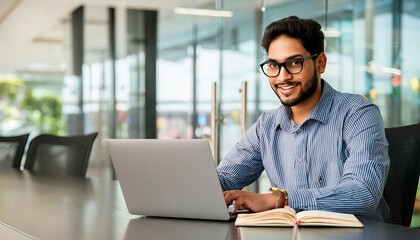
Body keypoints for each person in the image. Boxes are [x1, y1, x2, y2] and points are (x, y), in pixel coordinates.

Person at [217, 15, 390, 222]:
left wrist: (279, 199)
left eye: (295, 62)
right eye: (273, 65)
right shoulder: (267, 126)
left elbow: (363, 194)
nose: (282, 77)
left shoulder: (358, 114)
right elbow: (225, 179)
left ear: (321, 63)